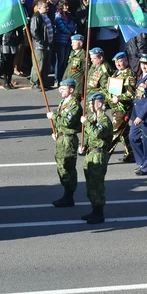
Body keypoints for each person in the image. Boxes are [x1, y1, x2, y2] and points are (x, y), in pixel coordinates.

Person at [46, 78, 82, 208]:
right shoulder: (63, 102)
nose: (60, 90)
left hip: (68, 140)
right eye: (60, 88)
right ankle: (66, 194)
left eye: (63, 88)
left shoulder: (74, 104)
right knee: (61, 166)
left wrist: (53, 116)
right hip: (61, 138)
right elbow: (61, 122)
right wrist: (56, 132)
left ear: (71, 90)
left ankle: (69, 196)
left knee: (68, 167)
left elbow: (67, 121)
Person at [79, 93, 112, 224]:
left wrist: (86, 122)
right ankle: (94, 209)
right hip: (90, 153)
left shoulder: (104, 119)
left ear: (99, 104)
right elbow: (88, 135)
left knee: (97, 184)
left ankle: (99, 213)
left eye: (92, 103)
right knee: (90, 184)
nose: (89, 105)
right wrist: (83, 146)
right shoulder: (93, 118)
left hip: (99, 154)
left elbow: (96, 133)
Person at [106, 52, 136, 161]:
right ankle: (130, 153)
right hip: (115, 108)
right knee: (124, 132)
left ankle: (104, 155)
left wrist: (119, 98)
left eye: (120, 61)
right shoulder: (116, 74)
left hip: (123, 108)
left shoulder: (130, 75)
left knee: (114, 132)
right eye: (116, 62)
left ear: (126, 61)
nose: (118, 64)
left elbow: (131, 94)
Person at [29, 0, 53, 90]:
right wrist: (41, 42)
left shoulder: (46, 16)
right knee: (38, 64)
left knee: (46, 64)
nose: (47, 8)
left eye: (47, 6)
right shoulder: (36, 17)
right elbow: (34, 32)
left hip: (48, 44)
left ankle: (43, 82)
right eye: (45, 7)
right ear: (39, 8)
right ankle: (34, 82)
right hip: (39, 46)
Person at [62, 34, 86, 100]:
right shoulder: (72, 53)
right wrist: (63, 80)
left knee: (74, 103)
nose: (71, 44)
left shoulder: (83, 55)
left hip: (76, 86)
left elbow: (86, 71)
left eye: (74, 42)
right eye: (72, 42)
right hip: (68, 83)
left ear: (80, 43)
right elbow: (68, 68)